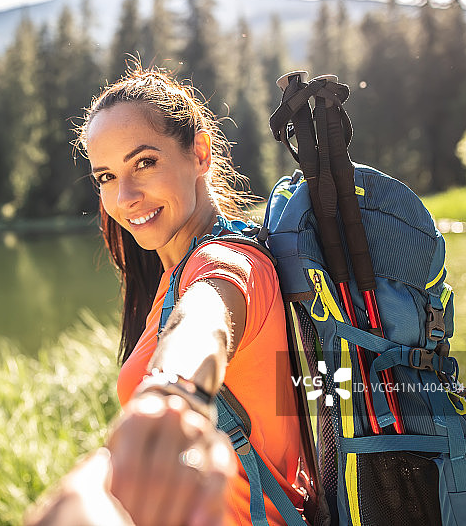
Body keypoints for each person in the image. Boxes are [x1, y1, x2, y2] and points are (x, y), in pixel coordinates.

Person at [29, 65, 313, 526]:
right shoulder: (175, 273)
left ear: (199, 153)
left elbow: (206, 319)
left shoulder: (228, 262)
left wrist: (173, 392)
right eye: (105, 177)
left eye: (144, 163)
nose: (125, 196)